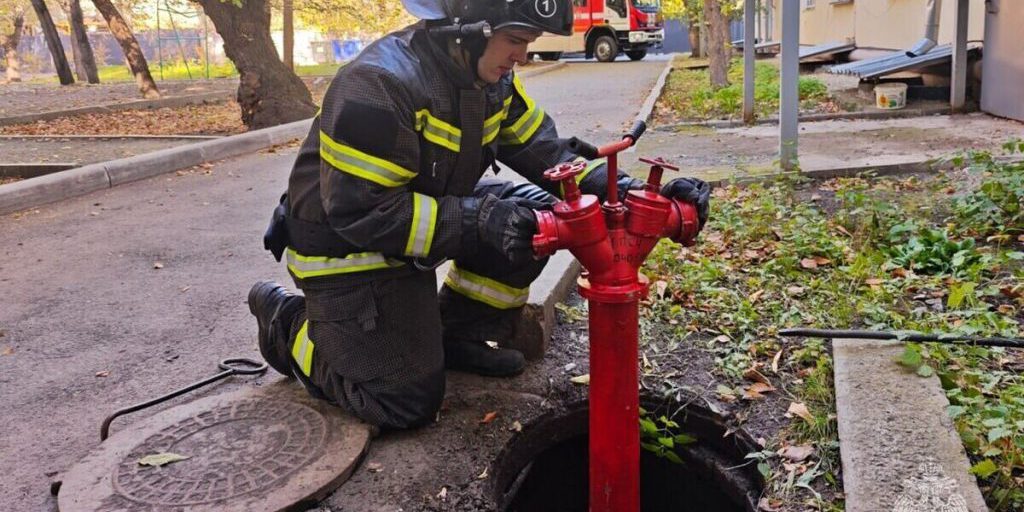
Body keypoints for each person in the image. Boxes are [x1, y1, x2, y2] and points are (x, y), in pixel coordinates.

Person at [249, 0, 712, 430]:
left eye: (528, 43)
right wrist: (478, 219)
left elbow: (549, 155)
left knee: (540, 217)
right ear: (468, 30)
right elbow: (362, 214)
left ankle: (458, 334)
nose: (522, 57)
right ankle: (288, 325)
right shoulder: (380, 85)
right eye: (515, 41)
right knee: (405, 400)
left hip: (415, 224)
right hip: (346, 247)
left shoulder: (489, 82)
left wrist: (634, 192)